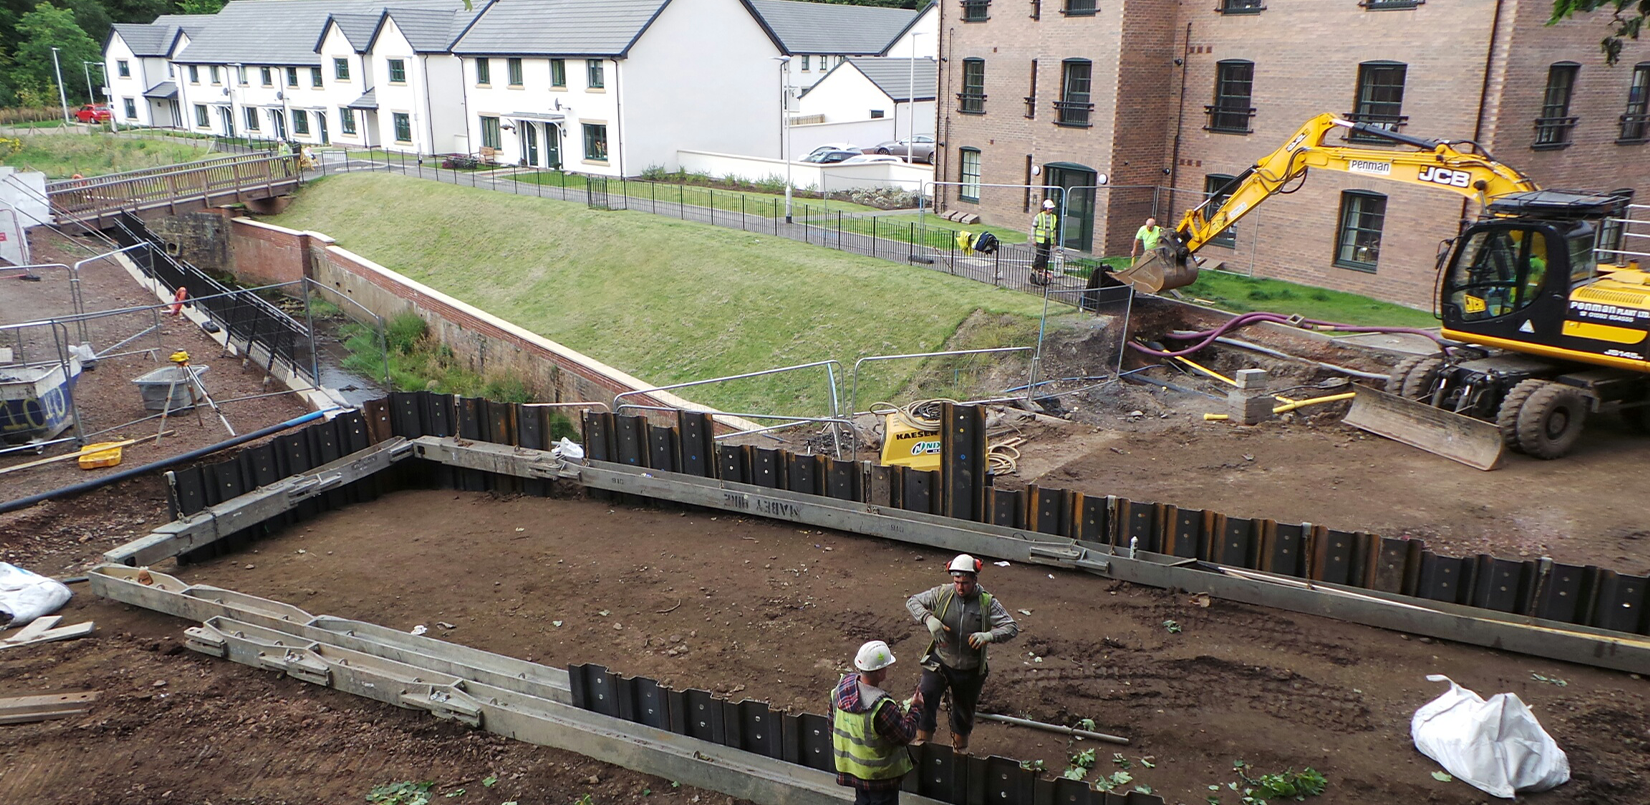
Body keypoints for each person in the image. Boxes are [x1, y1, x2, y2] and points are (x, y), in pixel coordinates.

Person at [904, 554, 1019, 753]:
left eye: (965, 583)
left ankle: (959, 752)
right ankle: (923, 744)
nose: (960, 587)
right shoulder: (942, 594)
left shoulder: (986, 603)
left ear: (975, 580)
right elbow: (912, 602)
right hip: (940, 661)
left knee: (963, 713)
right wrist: (928, 619)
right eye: (957, 582)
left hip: (969, 668)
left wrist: (989, 635)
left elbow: (1011, 627)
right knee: (925, 696)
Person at [832, 640, 925, 805]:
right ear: (880, 672)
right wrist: (915, 709)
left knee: (862, 801)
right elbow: (905, 735)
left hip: (855, 769)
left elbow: (832, 724)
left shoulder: (841, 689)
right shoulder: (881, 706)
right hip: (879, 777)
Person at [1030, 199, 1058, 285]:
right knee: (1039, 257)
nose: (1051, 210)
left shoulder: (1053, 217)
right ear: (1045, 208)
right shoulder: (1039, 216)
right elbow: (1033, 228)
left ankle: (1042, 273)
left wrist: (1054, 241)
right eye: (1049, 208)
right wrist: (1033, 239)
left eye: (1051, 209)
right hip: (1040, 240)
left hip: (1048, 240)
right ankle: (1035, 270)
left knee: (1046, 257)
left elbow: (1053, 230)